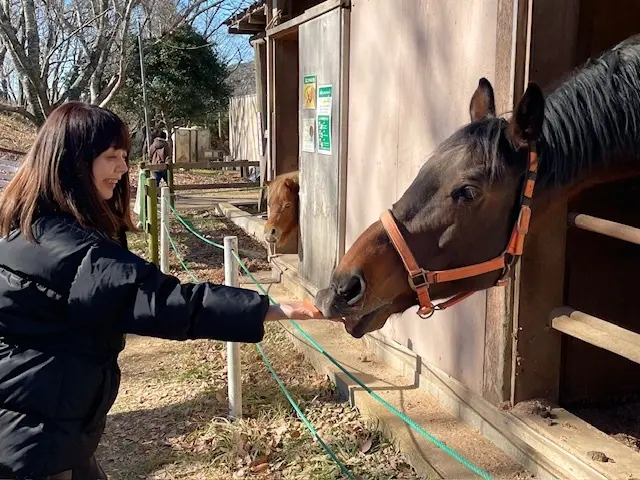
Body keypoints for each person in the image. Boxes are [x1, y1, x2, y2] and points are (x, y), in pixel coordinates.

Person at [0, 102, 328, 479]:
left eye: (124, 156)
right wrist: (275, 309)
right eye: (112, 157)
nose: (124, 168)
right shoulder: (74, 252)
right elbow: (167, 302)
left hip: (43, 430)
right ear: (73, 162)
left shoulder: (26, 231)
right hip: (40, 445)